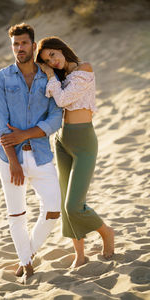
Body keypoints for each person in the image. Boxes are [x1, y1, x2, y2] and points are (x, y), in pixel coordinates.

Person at [0, 25, 62, 281]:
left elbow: (56, 118)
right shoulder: (1, 78)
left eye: (24, 43)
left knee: (53, 209)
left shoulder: (49, 78)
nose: (19, 48)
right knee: (17, 214)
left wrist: (24, 134)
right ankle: (26, 263)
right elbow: (1, 125)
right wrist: (14, 162)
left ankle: (27, 255)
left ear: (33, 45)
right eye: (15, 44)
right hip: (10, 158)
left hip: (42, 154)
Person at [36, 36, 114, 268]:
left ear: (61, 49)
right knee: (64, 204)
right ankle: (80, 255)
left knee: (74, 204)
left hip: (84, 141)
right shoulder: (60, 79)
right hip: (62, 140)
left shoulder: (84, 69)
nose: (52, 61)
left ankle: (106, 231)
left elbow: (62, 100)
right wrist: (51, 77)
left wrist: (50, 76)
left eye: (52, 54)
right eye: (47, 60)